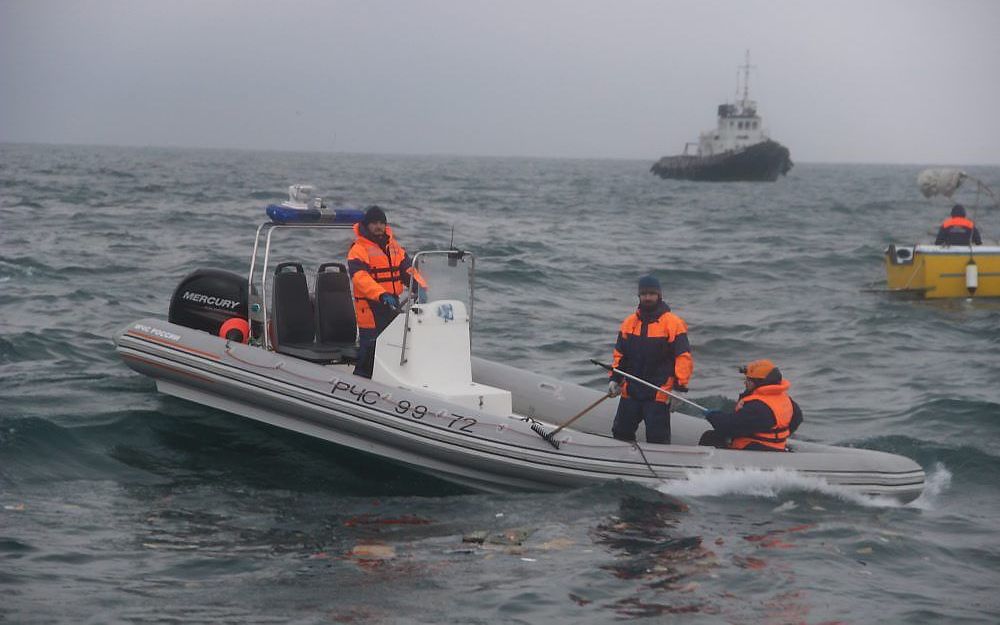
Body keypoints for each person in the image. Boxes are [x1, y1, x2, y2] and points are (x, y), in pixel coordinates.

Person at [607, 275, 693, 444]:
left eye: (651, 293)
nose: (647, 297)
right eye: (644, 294)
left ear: (659, 295)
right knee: (620, 431)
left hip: (659, 392)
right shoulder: (629, 323)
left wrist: (680, 388)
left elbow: (683, 357)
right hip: (631, 389)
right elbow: (620, 354)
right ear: (638, 296)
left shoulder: (673, 323)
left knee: (657, 438)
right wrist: (614, 379)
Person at [347, 205, 412, 377]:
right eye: (374, 223)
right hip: (370, 307)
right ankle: (359, 381)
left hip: (392, 305)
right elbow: (361, 278)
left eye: (382, 223)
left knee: (393, 345)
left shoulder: (395, 248)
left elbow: (409, 271)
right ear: (367, 225)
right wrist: (381, 294)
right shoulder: (358, 250)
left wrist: (422, 286)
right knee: (369, 348)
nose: (379, 226)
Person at [699, 359, 803, 451]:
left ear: (760, 382)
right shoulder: (787, 400)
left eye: (749, 380)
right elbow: (797, 419)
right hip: (776, 446)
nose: (745, 383)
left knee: (710, 437)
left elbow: (729, 427)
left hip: (755, 448)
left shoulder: (757, 407)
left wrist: (712, 416)